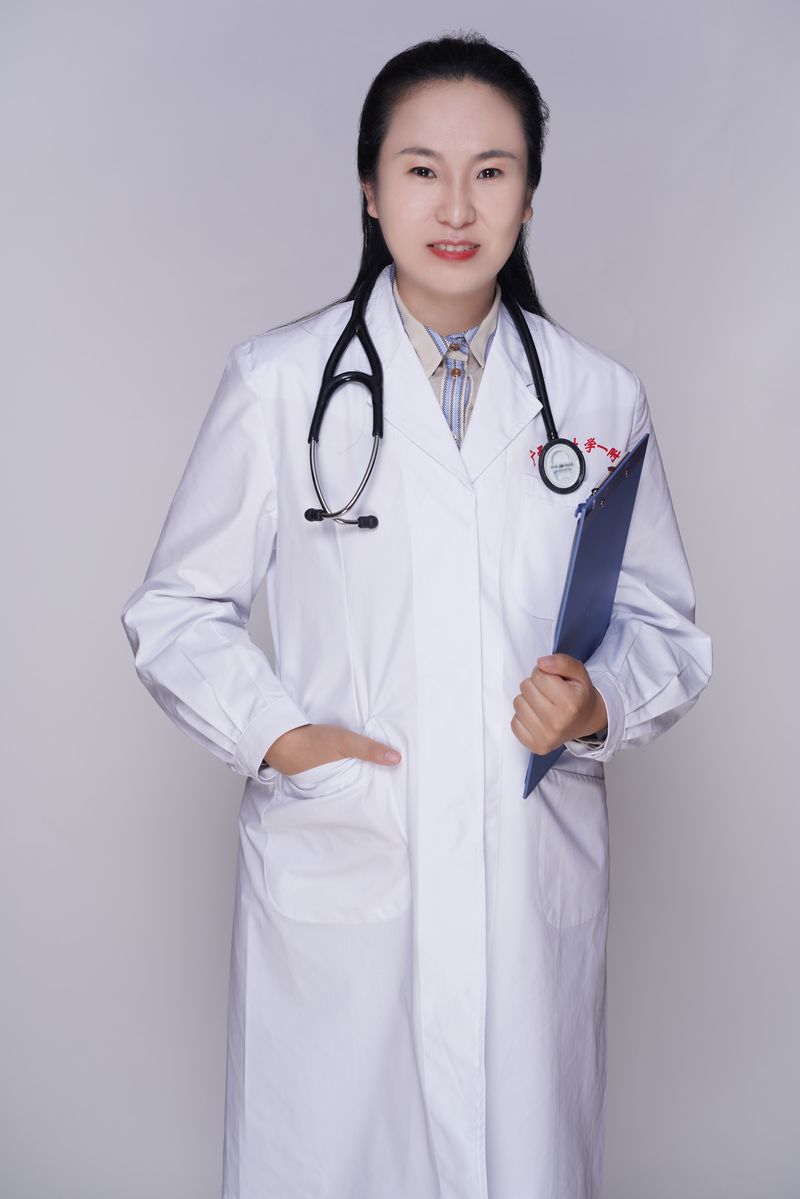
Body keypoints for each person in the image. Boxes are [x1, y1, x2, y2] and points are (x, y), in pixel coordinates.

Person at [120, 31, 712, 1199]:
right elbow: (177, 607)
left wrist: (596, 701)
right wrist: (282, 738)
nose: (455, 205)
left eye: (490, 171)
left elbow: (664, 627)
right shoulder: (279, 381)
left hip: (523, 867)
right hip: (350, 856)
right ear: (368, 186)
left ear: (528, 196)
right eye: (420, 168)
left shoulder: (595, 397)